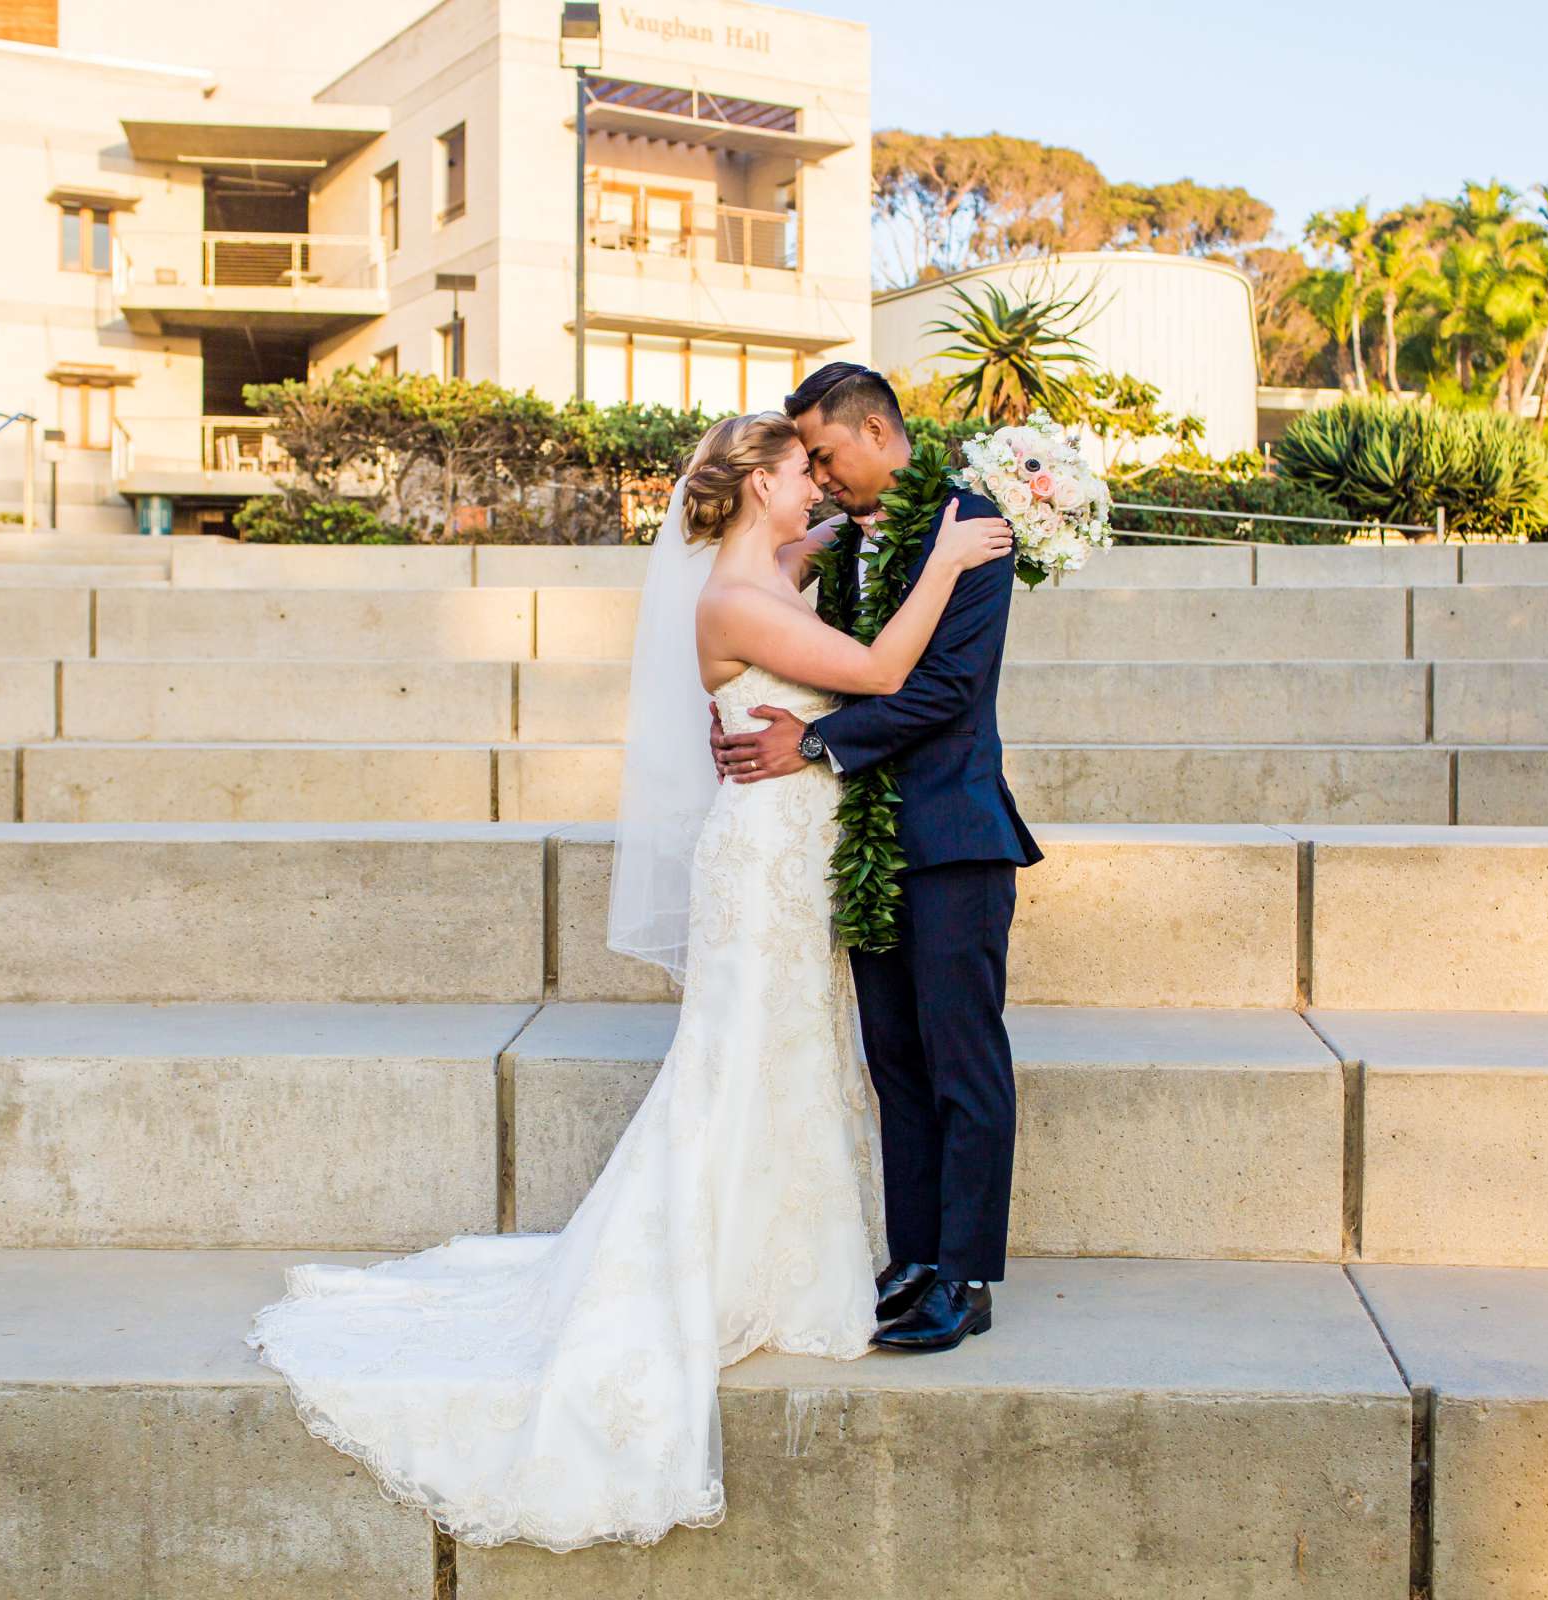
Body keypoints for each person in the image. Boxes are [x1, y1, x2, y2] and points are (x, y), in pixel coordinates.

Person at [246, 411, 1013, 1552]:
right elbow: (881, 669)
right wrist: (947, 559)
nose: (818, 484)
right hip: (762, 863)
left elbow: (828, 546)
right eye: (802, 470)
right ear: (759, 485)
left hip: (797, 856)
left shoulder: (767, 565)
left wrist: (899, 522)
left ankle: (807, 1254)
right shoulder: (734, 600)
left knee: (795, 1055)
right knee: (749, 1056)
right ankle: (717, 1259)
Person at [714, 362, 1043, 1353]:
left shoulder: (969, 528)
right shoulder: (850, 544)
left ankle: (968, 1274)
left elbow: (942, 690)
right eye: (805, 460)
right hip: (868, 839)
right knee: (895, 1061)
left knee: (961, 1061)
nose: (818, 474)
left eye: (823, 453)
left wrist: (812, 743)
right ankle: (915, 1258)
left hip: (955, 838)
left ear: (874, 431)